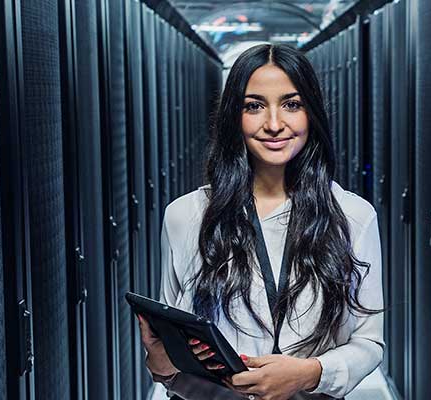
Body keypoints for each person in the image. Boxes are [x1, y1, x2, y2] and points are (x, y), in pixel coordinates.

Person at [138, 43, 385, 400]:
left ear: (310, 113)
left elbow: (369, 341)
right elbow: (176, 354)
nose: (273, 124)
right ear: (233, 117)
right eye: (254, 106)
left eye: (291, 104)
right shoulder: (185, 215)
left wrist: (308, 373)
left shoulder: (353, 216)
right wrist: (162, 363)